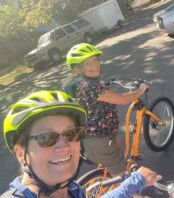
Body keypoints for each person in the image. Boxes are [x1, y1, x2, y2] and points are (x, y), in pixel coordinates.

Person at [1, 90, 161, 198]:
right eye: (47, 138)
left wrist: (134, 184)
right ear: (21, 153)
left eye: (71, 134)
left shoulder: (71, 188)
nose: (64, 147)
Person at [63, 43, 149, 175]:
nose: (95, 65)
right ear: (78, 69)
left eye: (95, 60)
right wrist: (140, 90)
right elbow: (122, 99)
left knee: (116, 149)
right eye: (88, 63)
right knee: (126, 183)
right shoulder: (90, 87)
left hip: (87, 139)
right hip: (99, 142)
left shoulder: (78, 84)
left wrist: (102, 83)